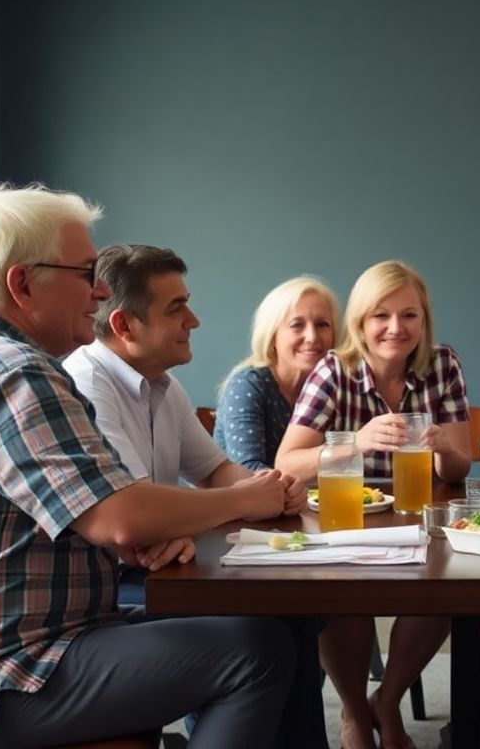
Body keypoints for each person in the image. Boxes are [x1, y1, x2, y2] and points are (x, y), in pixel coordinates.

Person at [0, 184, 297, 749]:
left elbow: (99, 512)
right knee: (255, 654)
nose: (99, 290)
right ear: (22, 284)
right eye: (85, 271)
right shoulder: (13, 374)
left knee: (268, 629)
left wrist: (138, 531)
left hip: (2, 645)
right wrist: (248, 498)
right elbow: (123, 516)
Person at [62, 244, 323, 748]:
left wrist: (270, 487)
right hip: (110, 592)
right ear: (124, 325)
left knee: (297, 611)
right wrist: (232, 504)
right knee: (268, 629)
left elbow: (214, 471)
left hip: (151, 570)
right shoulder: (86, 385)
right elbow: (137, 522)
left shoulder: (162, 384)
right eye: (176, 308)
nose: (194, 320)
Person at [275, 260, 471, 749]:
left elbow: (459, 471)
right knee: (344, 598)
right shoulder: (334, 371)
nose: (395, 328)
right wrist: (355, 443)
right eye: (381, 315)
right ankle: (355, 713)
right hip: (347, 520)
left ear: (423, 321)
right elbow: (288, 461)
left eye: (409, 315)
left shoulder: (442, 364)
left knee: (447, 593)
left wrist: (445, 445)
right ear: (361, 321)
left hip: (417, 518)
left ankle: (388, 697)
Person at [214, 275, 340, 469]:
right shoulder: (248, 384)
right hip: (235, 498)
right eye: (297, 325)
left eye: (322, 324)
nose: (312, 337)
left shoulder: (335, 385)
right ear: (272, 336)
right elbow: (246, 469)